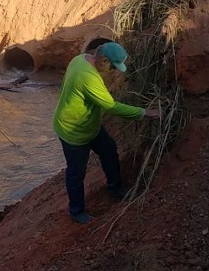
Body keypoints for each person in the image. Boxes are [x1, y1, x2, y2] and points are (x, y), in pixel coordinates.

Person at [52, 41, 161, 224]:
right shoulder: (88, 79)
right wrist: (145, 112)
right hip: (74, 131)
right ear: (103, 61)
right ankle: (76, 212)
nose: (114, 71)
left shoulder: (80, 59)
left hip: (88, 124)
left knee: (109, 150)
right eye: (113, 66)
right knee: (76, 172)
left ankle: (115, 188)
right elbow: (112, 106)